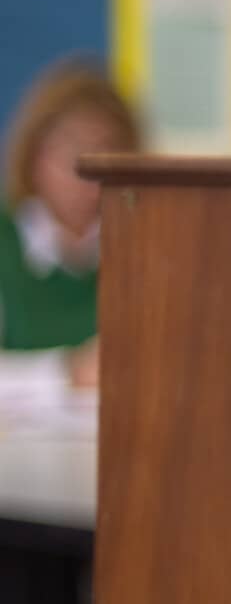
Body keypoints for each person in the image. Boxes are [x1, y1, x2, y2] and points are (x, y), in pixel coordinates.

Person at [1, 60, 140, 391]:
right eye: (73, 151)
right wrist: (66, 372)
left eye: (107, 152)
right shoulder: (6, 242)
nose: (87, 174)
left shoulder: (140, 248)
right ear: (36, 155)